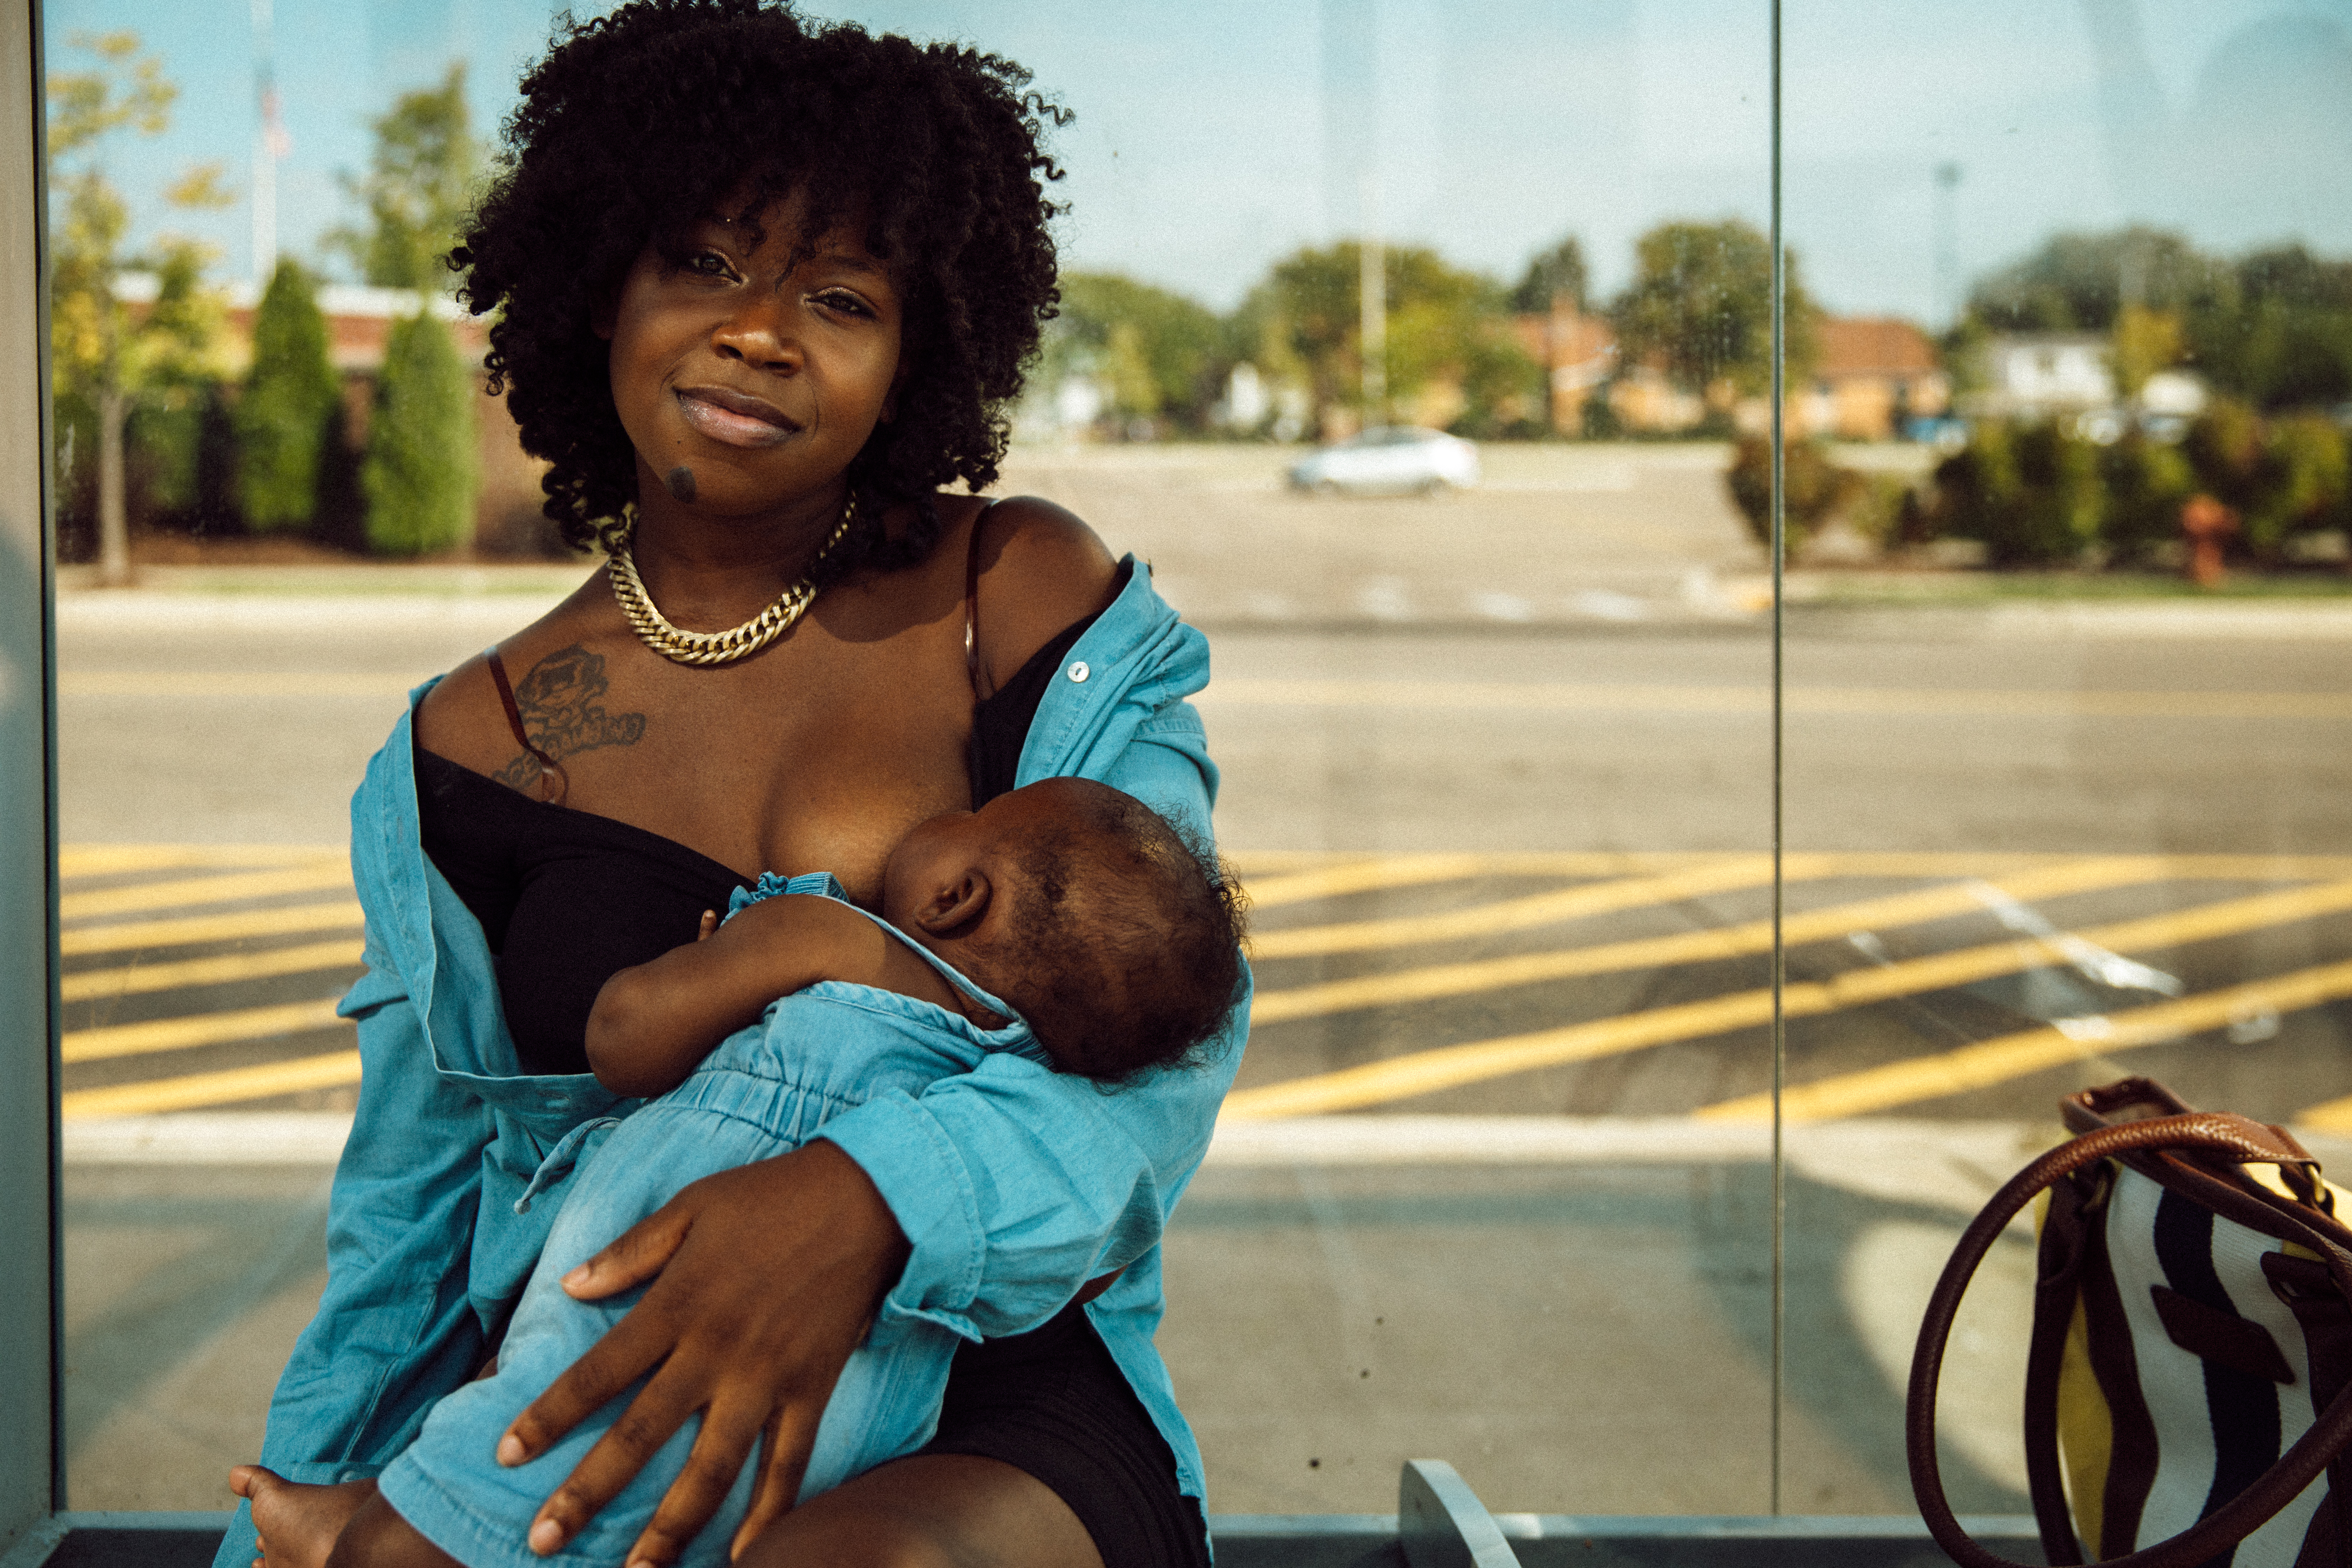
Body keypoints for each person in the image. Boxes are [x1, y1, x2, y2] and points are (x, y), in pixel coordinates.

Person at [216, 5, 1249, 1568]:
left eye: (839, 295)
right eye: (702, 262)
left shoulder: (1015, 594)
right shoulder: (463, 750)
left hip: (984, 1389)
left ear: (915, 355)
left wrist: (863, 1201)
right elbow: (407, 1240)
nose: (759, 329)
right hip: (586, 1419)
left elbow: (1174, 1034)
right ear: (598, 290)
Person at [262, 780, 1247, 1568]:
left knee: (423, 1541)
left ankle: (371, 1531)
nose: (944, 815)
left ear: (956, 898)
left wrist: (718, 971)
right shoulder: (1011, 1061)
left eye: (969, 820)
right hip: (866, 1412)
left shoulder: (827, 936)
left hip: (674, 1298)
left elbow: (624, 1038)